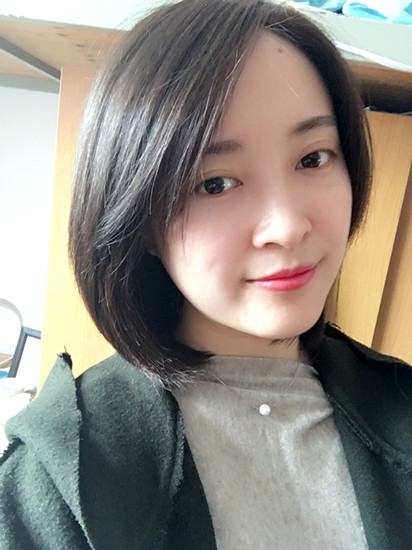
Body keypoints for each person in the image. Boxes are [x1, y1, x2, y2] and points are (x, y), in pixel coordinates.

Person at [1, 0, 411, 548]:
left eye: (313, 158)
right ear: (139, 217)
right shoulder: (56, 484)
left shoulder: (400, 402)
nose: (287, 226)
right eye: (215, 183)